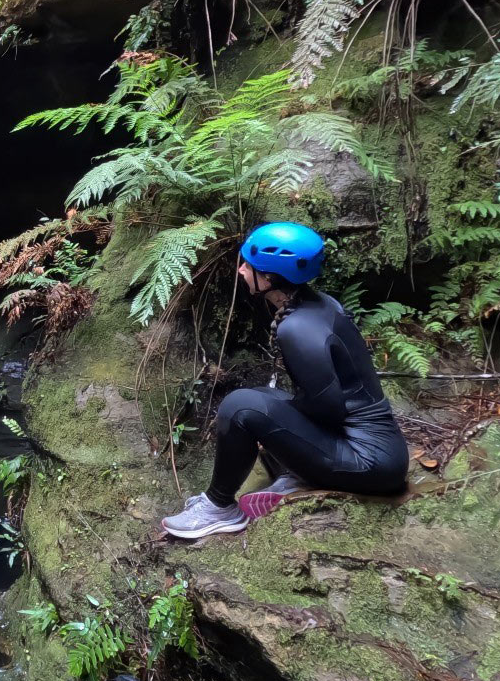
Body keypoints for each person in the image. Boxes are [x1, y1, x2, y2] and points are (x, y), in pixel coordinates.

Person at [161, 222, 409, 540]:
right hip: (380, 452)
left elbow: (328, 408)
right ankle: (298, 477)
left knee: (239, 407)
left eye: (248, 266)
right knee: (260, 397)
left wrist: (273, 423)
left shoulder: (296, 328)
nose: (240, 271)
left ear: (269, 278)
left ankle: (219, 508)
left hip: (369, 463)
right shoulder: (319, 305)